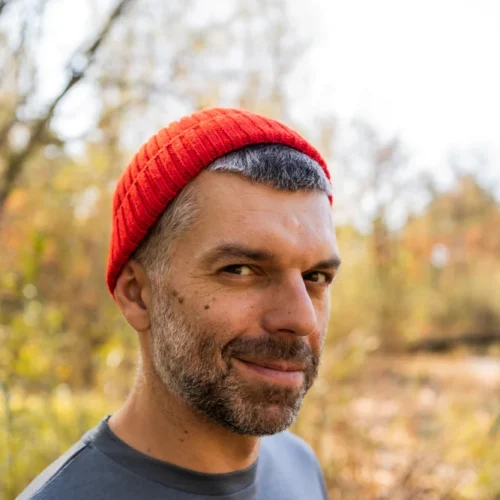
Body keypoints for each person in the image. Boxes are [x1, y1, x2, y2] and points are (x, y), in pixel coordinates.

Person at [18, 107, 340, 499]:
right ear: (137, 294)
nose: (302, 318)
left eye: (316, 277)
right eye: (241, 270)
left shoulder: (300, 466)